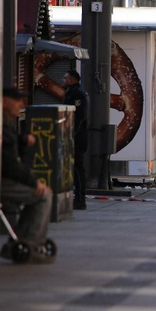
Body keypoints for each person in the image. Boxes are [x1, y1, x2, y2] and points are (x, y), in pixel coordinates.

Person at [0, 88, 55, 264]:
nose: (21, 105)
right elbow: (10, 165)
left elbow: (9, 146)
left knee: (39, 194)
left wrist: (22, 140)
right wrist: (34, 182)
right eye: (17, 100)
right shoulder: (0, 121)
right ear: (4, 100)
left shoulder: (3, 120)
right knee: (43, 196)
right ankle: (31, 243)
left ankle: (19, 240)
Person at [62, 70, 89, 210]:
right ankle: (76, 197)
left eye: (65, 77)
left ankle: (80, 198)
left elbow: (79, 117)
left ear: (72, 80)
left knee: (77, 167)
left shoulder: (78, 93)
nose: (63, 79)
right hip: (74, 136)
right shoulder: (72, 92)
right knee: (74, 168)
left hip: (77, 137)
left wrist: (72, 135)